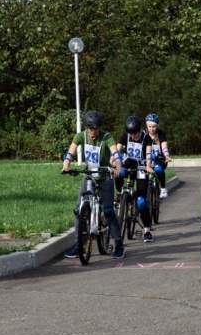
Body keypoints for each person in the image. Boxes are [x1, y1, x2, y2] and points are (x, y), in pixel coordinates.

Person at [61, 110, 125, 259]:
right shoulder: (80, 136)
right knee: (78, 211)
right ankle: (79, 245)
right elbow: (71, 151)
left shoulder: (106, 137)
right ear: (86, 127)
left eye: (96, 128)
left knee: (108, 211)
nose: (93, 131)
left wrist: (118, 167)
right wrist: (66, 165)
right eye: (90, 128)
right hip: (89, 176)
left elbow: (115, 153)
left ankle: (119, 245)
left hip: (104, 176)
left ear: (99, 127)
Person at [115, 116, 155, 242]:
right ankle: (119, 193)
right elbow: (116, 150)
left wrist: (148, 166)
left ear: (139, 131)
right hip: (128, 165)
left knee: (141, 201)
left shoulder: (146, 138)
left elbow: (148, 154)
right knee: (118, 173)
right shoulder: (125, 136)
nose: (132, 136)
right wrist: (112, 161)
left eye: (134, 133)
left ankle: (147, 230)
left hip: (141, 168)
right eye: (130, 133)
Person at [145, 113, 172, 199]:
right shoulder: (144, 135)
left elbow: (164, 147)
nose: (151, 129)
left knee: (158, 169)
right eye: (149, 126)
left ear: (157, 126)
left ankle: (163, 188)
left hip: (159, 159)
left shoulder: (161, 134)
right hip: (147, 159)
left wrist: (166, 155)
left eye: (154, 127)